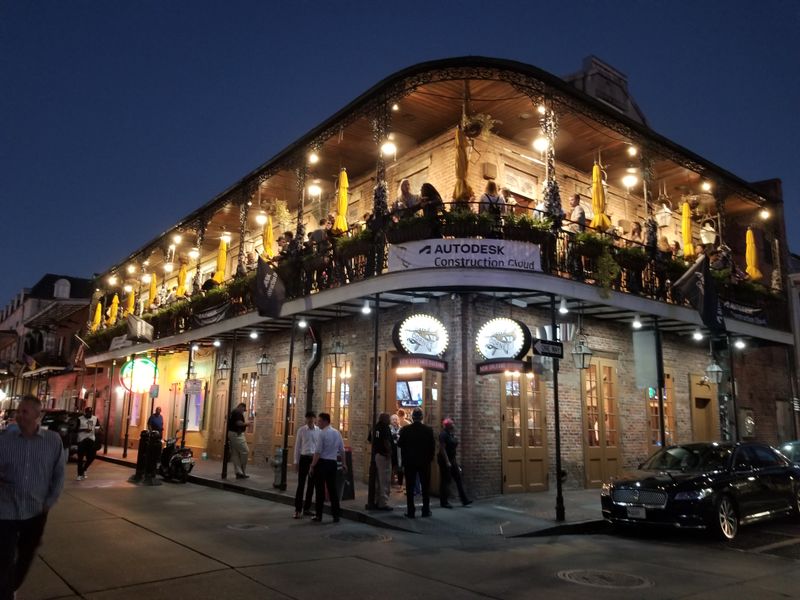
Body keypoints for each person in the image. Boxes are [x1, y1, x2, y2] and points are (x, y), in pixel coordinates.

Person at [0, 396, 65, 599]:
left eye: (25, 411)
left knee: (26, 556)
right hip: (5, 510)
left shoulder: (53, 441)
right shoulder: (4, 441)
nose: (19, 415)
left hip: (36, 510)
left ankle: (10, 587)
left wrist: (49, 502)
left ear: (38, 415)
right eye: (18, 411)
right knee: (3, 559)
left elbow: (58, 474)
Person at [397, 407, 435, 519]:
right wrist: (430, 459)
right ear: (422, 418)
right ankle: (425, 510)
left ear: (412, 418)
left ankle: (411, 511)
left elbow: (400, 445)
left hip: (410, 462)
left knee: (410, 487)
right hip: (424, 462)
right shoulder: (428, 430)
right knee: (425, 487)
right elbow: (432, 447)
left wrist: (403, 461)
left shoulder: (406, 430)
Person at [309, 412, 346, 523]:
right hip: (332, 463)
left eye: (320, 421)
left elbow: (318, 452)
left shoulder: (322, 434)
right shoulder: (337, 433)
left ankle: (319, 515)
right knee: (333, 490)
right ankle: (336, 515)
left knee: (320, 491)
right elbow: (342, 450)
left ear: (325, 421)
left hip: (322, 463)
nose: (318, 422)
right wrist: (344, 463)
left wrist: (312, 465)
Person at [437, 418, 472, 508]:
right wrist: (447, 461)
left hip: (452, 459)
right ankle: (444, 502)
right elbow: (442, 449)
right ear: (448, 425)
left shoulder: (451, 434)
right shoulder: (443, 434)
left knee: (458, 479)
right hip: (445, 460)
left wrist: (454, 461)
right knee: (446, 481)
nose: (454, 425)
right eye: (452, 424)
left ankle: (464, 500)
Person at [293, 411, 319, 519]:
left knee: (311, 485)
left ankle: (307, 508)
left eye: (311, 418)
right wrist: (296, 462)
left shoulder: (319, 431)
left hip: (314, 459)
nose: (309, 420)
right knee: (301, 485)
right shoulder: (301, 430)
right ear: (306, 419)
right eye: (308, 418)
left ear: (314, 419)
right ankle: (297, 510)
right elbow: (297, 447)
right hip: (304, 458)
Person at [371, 413, 393, 511]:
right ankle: (383, 503)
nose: (390, 420)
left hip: (377, 455)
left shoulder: (375, 427)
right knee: (384, 479)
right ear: (384, 419)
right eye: (388, 418)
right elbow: (386, 441)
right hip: (383, 456)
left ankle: (377, 500)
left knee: (378, 480)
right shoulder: (385, 428)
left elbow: (370, 439)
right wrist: (389, 452)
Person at [227, 402, 250, 479]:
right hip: (237, 435)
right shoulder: (237, 412)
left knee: (235, 454)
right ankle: (242, 471)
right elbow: (239, 423)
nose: (243, 411)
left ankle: (238, 472)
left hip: (231, 434)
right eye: (243, 409)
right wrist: (247, 424)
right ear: (241, 407)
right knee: (245, 451)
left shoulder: (233, 412)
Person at [76, 406, 99, 481]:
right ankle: (79, 474)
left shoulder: (95, 419)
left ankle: (84, 469)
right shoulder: (80, 419)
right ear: (85, 412)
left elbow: (97, 428)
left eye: (91, 413)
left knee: (92, 456)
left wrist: (96, 430)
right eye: (88, 413)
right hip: (82, 439)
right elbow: (76, 430)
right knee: (80, 458)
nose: (89, 414)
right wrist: (84, 429)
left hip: (91, 439)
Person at [389, 414, 403, 487]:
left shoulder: (401, 429)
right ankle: (392, 481)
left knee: (399, 465)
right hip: (392, 449)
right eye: (393, 419)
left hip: (399, 449)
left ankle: (399, 483)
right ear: (390, 421)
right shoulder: (388, 428)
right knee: (392, 465)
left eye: (396, 419)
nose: (395, 421)